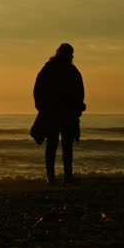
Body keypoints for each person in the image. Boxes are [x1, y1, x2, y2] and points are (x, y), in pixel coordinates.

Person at [32, 43, 86, 184]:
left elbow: (38, 89)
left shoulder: (49, 69)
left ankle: (53, 176)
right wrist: (78, 108)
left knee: (53, 144)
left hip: (54, 113)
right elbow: (79, 91)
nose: (72, 56)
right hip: (62, 113)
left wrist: (40, 106)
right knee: (64, 145)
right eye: (71, 54)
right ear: (67, 54)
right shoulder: (70, 70)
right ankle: (64, 176)